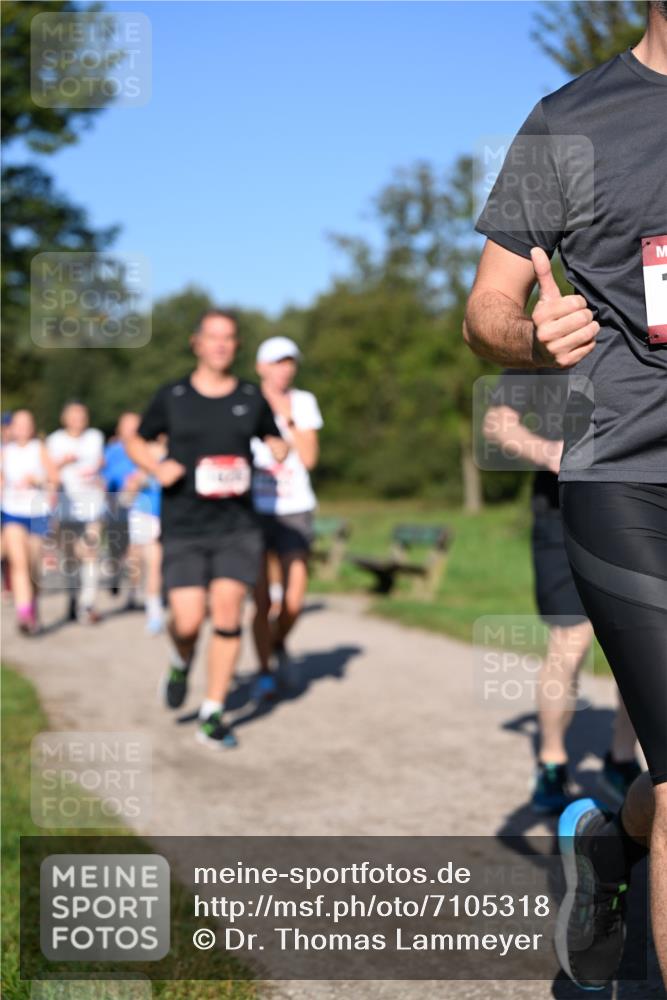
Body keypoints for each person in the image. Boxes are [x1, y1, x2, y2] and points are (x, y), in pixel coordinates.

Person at [464, 3, 666, 989]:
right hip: (629, 471)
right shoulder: (567, 121)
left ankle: (609, 839)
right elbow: (485, 306)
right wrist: (532, 341)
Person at [126, 309, 288, 748]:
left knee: (230, 610)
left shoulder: (251, 397)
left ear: (235, 346)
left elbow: (274, 436)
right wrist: (155, 466)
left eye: (229, 338)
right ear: (196, 343)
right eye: (212, 337)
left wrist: (278, 445)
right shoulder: (173, 395)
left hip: (237, 525)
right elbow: (136, 438)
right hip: (184, 524)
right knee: (188, 619)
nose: (220, 345)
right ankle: (180, 661)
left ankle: (213, 712)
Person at [484, 371, 641, 814]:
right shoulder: (552, 336)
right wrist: (548, 450)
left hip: (638, 508)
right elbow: (497, 422)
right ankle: (552, 761)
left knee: (640, 642)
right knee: (570, 642)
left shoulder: (647, 335)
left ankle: (621, 758)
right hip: (561, 512)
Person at [251, 336, 324, 700]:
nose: (285, 369)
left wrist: (285, 421)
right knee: (262, 601)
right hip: (255, 510)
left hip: (295, 507)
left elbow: (309, 458)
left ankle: (278, 644)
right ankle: (264, 670)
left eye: (290, 362)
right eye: (277, 362)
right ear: (260, 367)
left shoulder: (304, 402)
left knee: (293, 600)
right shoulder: (245, 401)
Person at [47, 401, 106, 625]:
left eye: (82, 415)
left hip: (92, 503)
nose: (78, 419)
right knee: (71, 556)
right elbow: (49, 472)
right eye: (74, 415)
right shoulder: (55, 441)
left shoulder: (95, 437)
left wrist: (98, 473)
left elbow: (100, 463)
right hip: (66, 505)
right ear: (65, 418)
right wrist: (63, 463)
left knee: (90, 551)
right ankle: (73, 597)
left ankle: (87, 604)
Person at [0, 410, 57, 633]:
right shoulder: (5, 452)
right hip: (13, 512)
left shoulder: (39, 449)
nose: (22, 428)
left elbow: (54, 478)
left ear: (32, 427)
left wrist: (37, 479)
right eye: (18, 424)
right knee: (18, 563)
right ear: (11, 428)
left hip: (38, 512)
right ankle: (24, 615)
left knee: (33, 566)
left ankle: (32, 604)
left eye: (27, 423)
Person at [103, 412, 142, 603]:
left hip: (140, 504)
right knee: (117, 547)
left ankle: (133, 593)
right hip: (116, 502)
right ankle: (115, 574)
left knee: (135, 548)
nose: (131, 430)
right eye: (127, 426)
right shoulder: (112, 451)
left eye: (135, 426)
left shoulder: (145, 449)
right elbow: (104, 477)